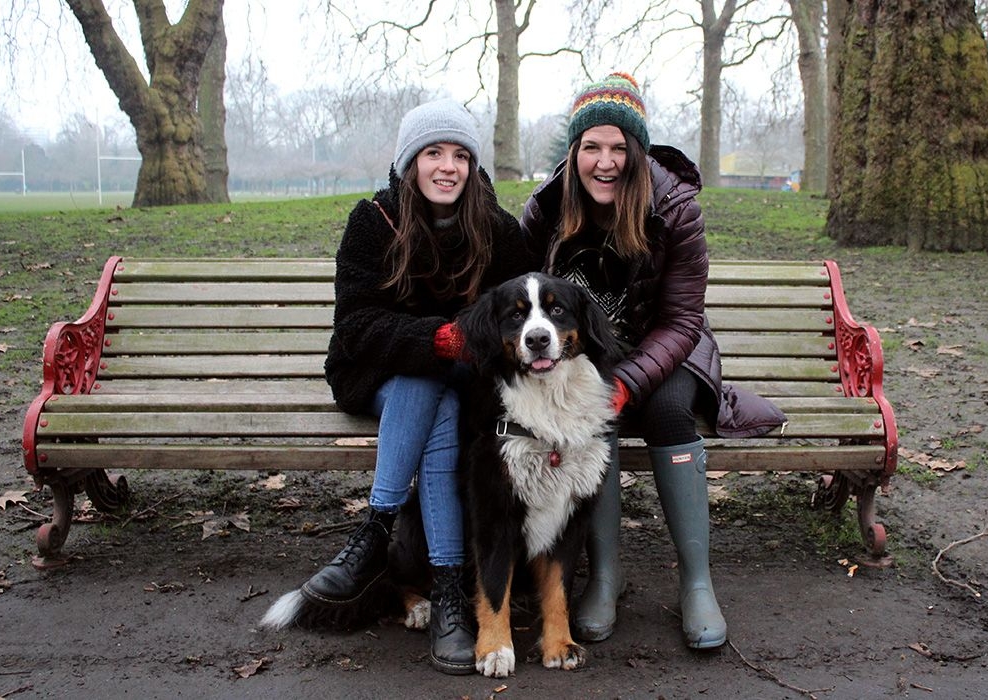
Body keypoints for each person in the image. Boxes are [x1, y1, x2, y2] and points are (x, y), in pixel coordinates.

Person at [305, 98, 531, 674]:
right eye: (434, 152)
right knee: (422, 379)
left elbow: (513, 325)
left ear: (473, 166)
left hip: (464, 384)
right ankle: (447, 590)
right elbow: (355, 327)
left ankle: (375, 541)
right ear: (411, 162)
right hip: (376, 374)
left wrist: (455, 349)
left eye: (460, 154)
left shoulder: (500, 233)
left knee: (445, 403)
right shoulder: (372, 221)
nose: (447, 166)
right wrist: (437, 340)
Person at [519, 72, 727, 649]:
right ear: (574, 152)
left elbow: (684, 320)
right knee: (588, 412)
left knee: (665, 413)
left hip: (667, 348)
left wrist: (628, 382)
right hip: (586, 357)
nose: (605, 162)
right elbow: (518, 291)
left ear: (636, 150)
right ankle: (606, 577)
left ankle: (697, 583)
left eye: (618, 147)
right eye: (591, 147)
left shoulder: (675, 208)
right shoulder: (546, 209)